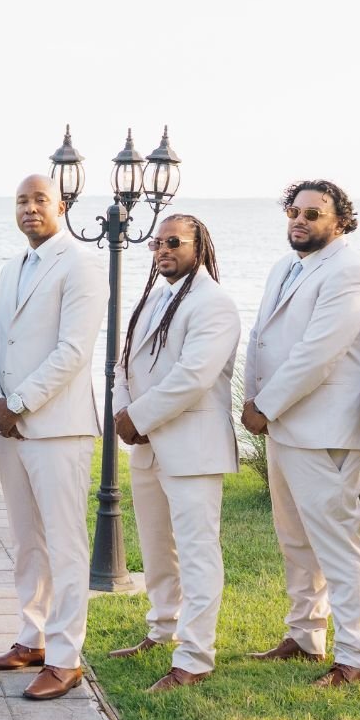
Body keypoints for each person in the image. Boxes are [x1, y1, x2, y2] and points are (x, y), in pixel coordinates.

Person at [240, 179, 360, 687]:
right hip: (283, 427)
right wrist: (252, 400)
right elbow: (260, 338)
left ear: (340, 222)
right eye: (294, 212)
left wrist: (266, 405)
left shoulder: (350, 273)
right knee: (295, 541)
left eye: (313, 214)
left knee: (337, 545)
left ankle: (354, 656)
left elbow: (316, 355)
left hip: (324, 430)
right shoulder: (285, 267)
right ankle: (304, 635)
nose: (300, 220)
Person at [0, 174, 107, 701]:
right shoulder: (11, 268)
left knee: (64, 543)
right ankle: (31, 639)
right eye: (22, 201)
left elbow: (73, 351)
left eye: (40, 200)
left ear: (62, 206)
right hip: (10, 427)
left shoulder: (81, 264)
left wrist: (20, 403)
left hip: (58, 428)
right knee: (27, 540)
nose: (30, 209)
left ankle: (64, 657)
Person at [108, 214, 240, 692]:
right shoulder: (152, 298)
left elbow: (192, 377)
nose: (163, 249)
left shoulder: (214, 303)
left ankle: (195, 656)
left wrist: (138, 418)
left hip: (192, 447)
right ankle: (163, 626)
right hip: (148, 446)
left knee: (197, 552)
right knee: (156, 546)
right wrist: (123, 412)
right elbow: (122, 364)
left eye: (174, 242)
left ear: (198, 247)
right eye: (156, 243)